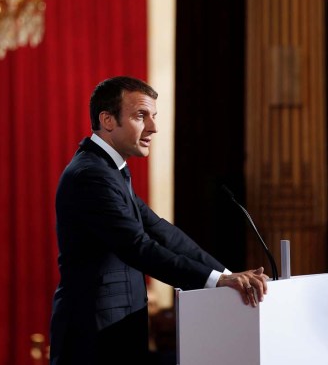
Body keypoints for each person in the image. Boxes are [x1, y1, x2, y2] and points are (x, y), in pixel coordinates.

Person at [49, 76, 269, 365]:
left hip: (114, 330)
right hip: (94, 335)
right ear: (108, 120)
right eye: (141, 115)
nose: (153, 127)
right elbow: (138, 247)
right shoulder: (92, 175)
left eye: (154, 116)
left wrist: (225, 273)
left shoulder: (110, 169)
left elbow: (160, 230)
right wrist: (217, 281)